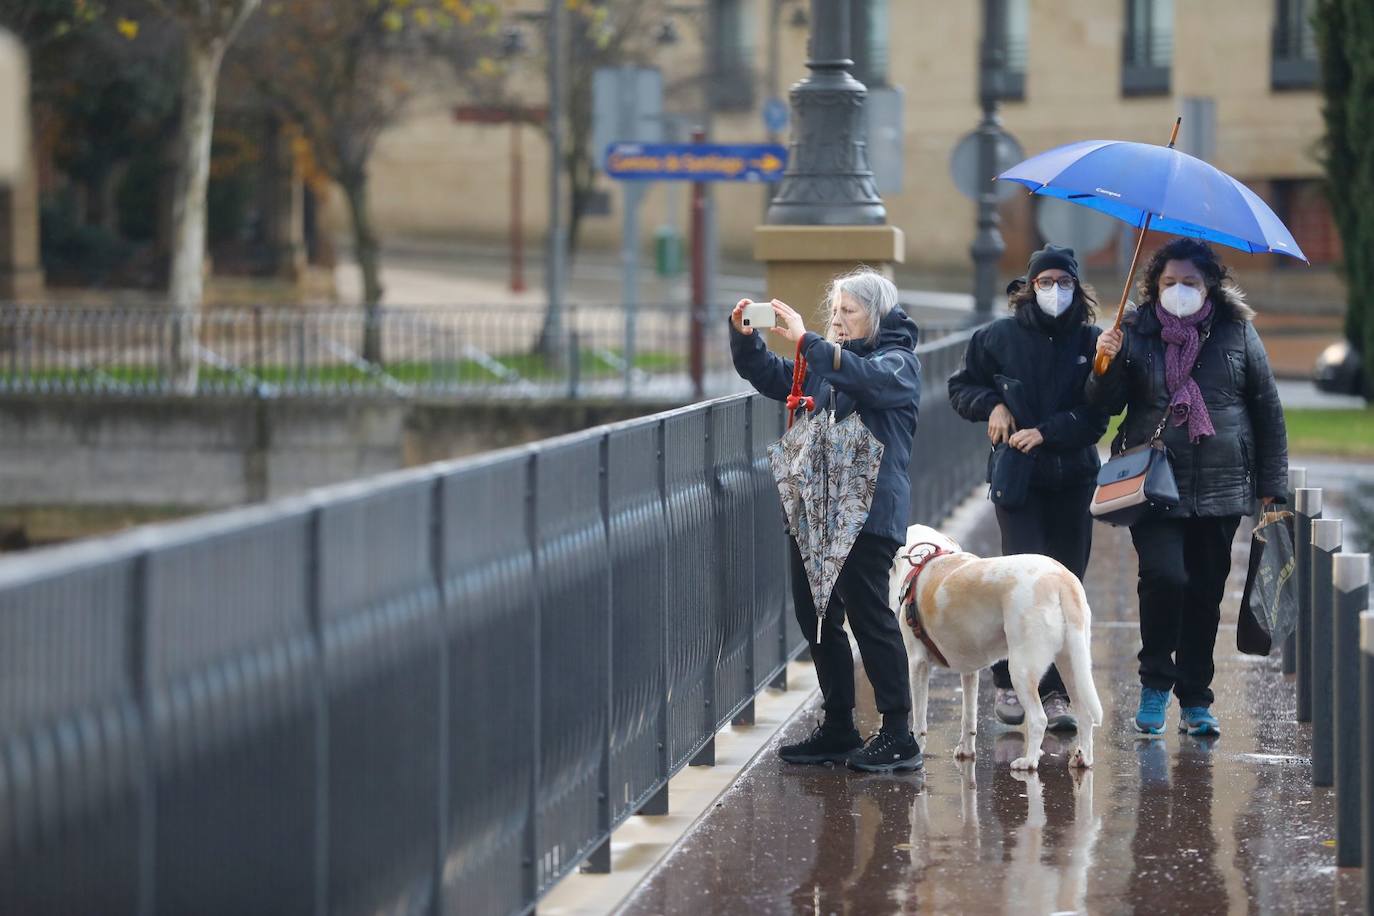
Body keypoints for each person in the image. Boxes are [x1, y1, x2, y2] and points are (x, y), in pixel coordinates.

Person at [1088, 237, 1288, 737]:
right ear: (1155, 285)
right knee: (1165, 578)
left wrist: (1271, 486)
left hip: (1221, 486)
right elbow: (1103, 407)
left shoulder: (1237, 331)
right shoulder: (1134, 329)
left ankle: (1196, 697)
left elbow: (1267, 410)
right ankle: (1155, 683)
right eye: (1170, 282)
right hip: (1153, 483)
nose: (1179, 290)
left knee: (1204, 592)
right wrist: (1104, 362)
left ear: (1210, 286)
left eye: (1190, 283)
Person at [729, 267, 923, 773]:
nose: (837, 321)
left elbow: (867, 381)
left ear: (875, 317)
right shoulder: (828, 360)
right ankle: (838, 725)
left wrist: (809, 342)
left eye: (849, 312)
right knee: (815, 617)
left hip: (868, 511)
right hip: (816, 510)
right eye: (833, 312)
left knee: (869, 617)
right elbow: (776, 378)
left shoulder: (898, 362)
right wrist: (746, 342)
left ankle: (899, 733)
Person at [948, 244, 1110, 732]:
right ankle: (1010, 680)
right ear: (1030, 285)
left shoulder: (1093, 342)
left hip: (1074, 478)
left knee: (1064, 587)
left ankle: (1054, 693)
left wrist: (1051, 429)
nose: (1054, 290)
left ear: (1076, 288)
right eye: (1045, 282)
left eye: (1063, 282)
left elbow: (1100, 414)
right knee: (1020, 585)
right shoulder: (996, 337)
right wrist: (992, 405)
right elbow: (962, 388)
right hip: (1018, 480)